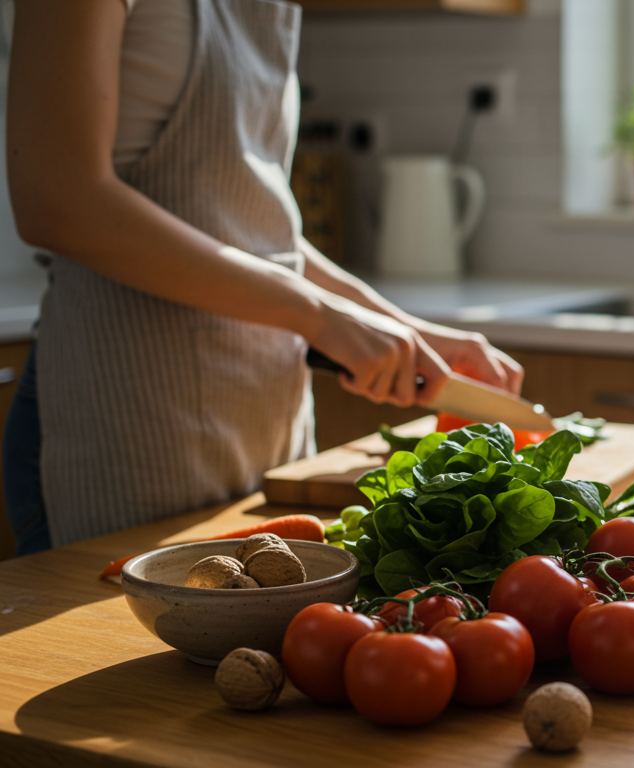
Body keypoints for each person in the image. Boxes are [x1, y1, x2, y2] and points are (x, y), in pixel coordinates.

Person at [1, 0, 523, 556]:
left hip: (264, 411)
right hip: (122, 414)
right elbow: (57, 200)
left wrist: (405, 329)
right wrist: (316, 315)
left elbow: (252, 227)